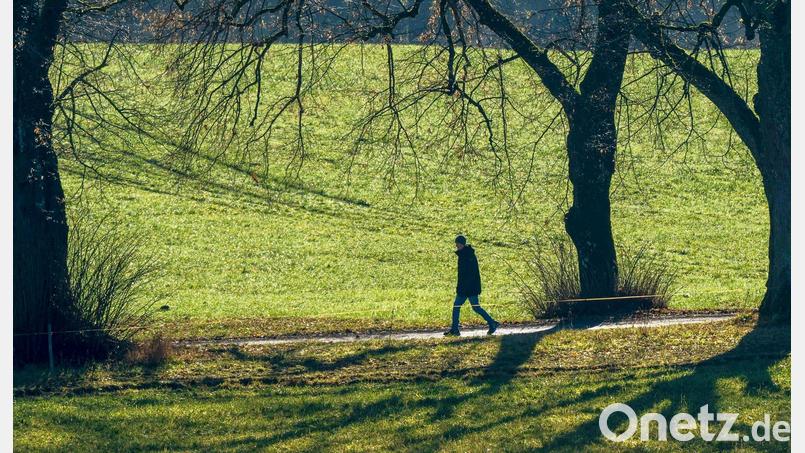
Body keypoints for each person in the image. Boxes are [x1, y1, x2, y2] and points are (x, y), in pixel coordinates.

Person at [444, 235, 500, 336]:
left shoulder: (467, 256)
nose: (456, 246)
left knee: (458, 306)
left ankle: (455, 330)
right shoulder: (465, 254)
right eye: (456, 244)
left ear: (462, 244)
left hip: (468, 288)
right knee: (475, 308)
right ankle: (492, 323)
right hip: (468, 288)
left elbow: (469, 274)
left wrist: (462, 288)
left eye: (458, 244)